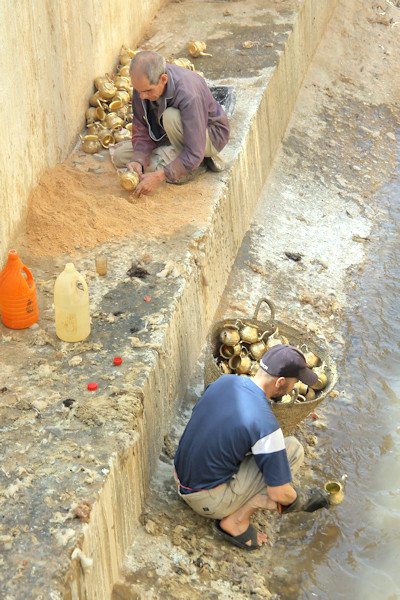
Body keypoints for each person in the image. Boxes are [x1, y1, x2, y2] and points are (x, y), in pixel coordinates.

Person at [174, 344, 330, 551]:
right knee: (292, 449)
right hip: (205, 499)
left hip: (179, 476)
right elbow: (279, 494)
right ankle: (236, 522)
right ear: (281, 382)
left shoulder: (225, 381)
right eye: (295, 383)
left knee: (253, 444)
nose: (293, 388)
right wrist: (305, 499)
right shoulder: (265, 424)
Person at [112, 50, 230, 195]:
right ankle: (176, 160)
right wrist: (138, 160)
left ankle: (194, 166)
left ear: (163, 79)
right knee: (120, 157)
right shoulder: (142, 87)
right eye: (139, 91)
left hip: (207, 136)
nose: (142, 96)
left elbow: (194, 151)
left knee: (170, 116)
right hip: (167, 132)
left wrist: (159, 176)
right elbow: (142, 129)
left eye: (148, 91)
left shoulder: (188, 94)